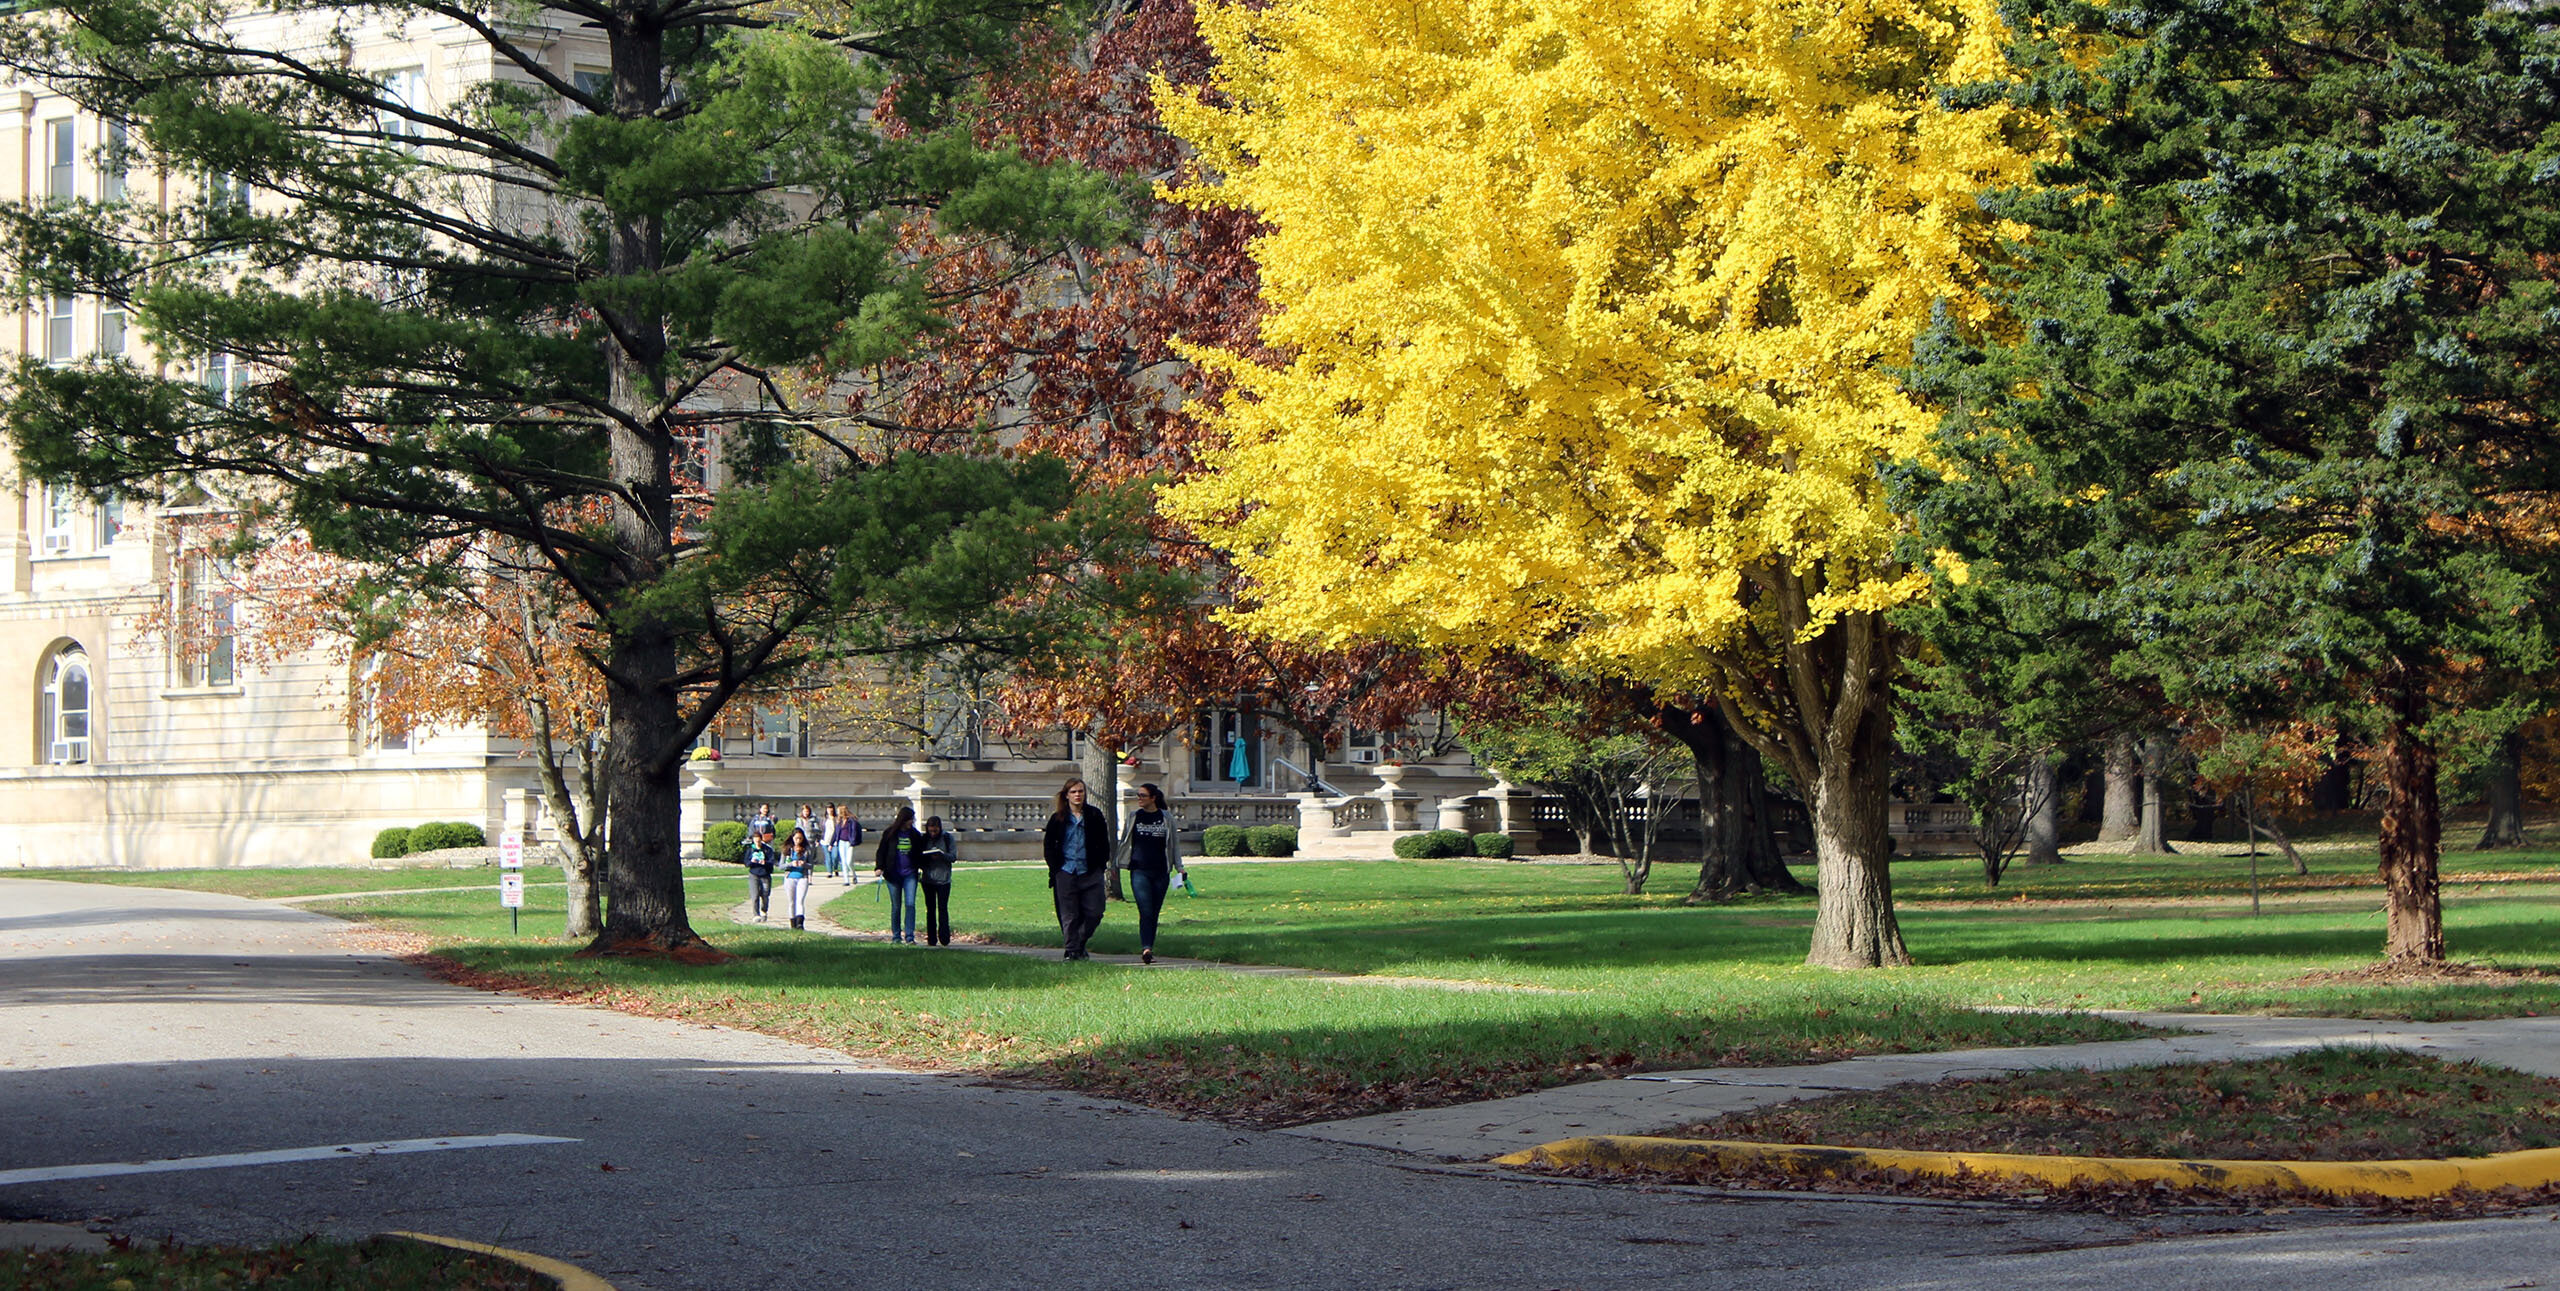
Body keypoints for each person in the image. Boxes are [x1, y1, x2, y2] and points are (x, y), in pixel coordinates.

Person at [1044, 778, 1110, 960]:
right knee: (1069, 914)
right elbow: (1049, 845)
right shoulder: (1058, 818)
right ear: (1067, 795)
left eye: (1080, 791)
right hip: (1066, 871)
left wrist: (1101, 864)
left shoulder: (1094, 815)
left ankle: (1078, 943)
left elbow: (1104, 843)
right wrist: (1056, 868)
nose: (1078, 795)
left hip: (1089, 870)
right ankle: (1072, 951)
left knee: (1095, 912)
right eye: (1073, 792)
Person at [1116, 783, 1182, 965]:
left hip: (1161, 870)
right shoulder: (1134, 817)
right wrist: (1116, 864)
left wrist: (1180, 867)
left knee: (1154, 911)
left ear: (1153, 798)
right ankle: (1146, 948)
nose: (1139, 798)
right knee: (1145, 910)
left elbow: (1174, 844)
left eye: (1143, 796)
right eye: (1138, 795)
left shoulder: (1166, 818)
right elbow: (1124, 842)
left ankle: (1149, 945)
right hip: (1139, 870)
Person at [874, 805, 922, 945]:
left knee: (910, 904)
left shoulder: (915, 835)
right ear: (904, 819)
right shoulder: (890, 833)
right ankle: (896, 935)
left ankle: (909, 936)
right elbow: (881, 851)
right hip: (893, 874)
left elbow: (920, 852)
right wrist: (879, 867)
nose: (911, 822)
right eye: (910, 820)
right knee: (896, 906)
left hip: (910, 874)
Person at [916, 816, 957, 947]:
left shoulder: (947, 838)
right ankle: (931, 938)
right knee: (930, 909)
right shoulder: (924, 839)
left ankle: (944, 937)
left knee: (943, 908)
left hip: (943, 879)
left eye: (935, 831)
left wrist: (941, 855)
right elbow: (918, 858)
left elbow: (953, 857)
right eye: (931, 831)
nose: (933, 833)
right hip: (928, 879)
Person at [733, 823, 780, 923]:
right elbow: (746, 862)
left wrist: (765, 862)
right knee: (754, 895)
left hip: (765, 874)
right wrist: (752, 862)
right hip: (754, 874)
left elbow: (772, 862)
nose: (757, 842)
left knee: (765, 895)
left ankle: (764, 910)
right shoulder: (750, 850)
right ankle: (756, 914)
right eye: (755, 840)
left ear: (761, 839)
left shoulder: (767, 850)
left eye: (759, 840)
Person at [833, 806, 865, 886]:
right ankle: (846, 880)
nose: (837, 813)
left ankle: (853, 875)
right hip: (841, 842)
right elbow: (836, 833)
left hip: (849, 842)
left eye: (838, 811)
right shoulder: (839, 821)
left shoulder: (852, 821)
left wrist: (853, 841)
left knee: (849, 861)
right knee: (843, 862)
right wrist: (832, 843)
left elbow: (854, 832)